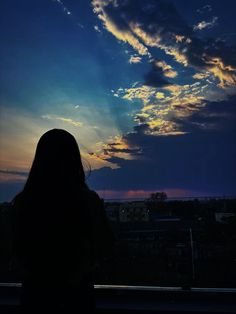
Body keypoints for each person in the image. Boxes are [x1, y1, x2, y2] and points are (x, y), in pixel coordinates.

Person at [11, 129, 114, 313]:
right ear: (74, 160)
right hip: (77, 300)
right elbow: (106, 246)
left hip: (35, 299)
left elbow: (14, 252)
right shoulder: (88, 202)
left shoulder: (22, 203)